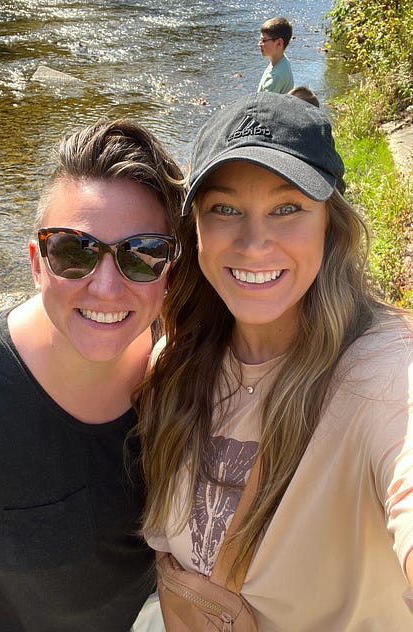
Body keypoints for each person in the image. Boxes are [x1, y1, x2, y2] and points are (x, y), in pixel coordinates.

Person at [139, 92, 413, 630]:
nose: (254, 243)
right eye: (225, 209)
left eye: (287, 209)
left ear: (330, 226)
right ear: (194, 228)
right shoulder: (173, 362)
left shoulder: (380, 373)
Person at [0, 117, 184, 632]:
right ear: (36, 262)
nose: (107, 288)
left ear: (169, 272)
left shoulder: (183, 366)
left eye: (142, 255)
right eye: (75, 252)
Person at [257, 17, 294, 94]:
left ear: (279, 43)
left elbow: (264, 104)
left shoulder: (275, 77)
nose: (259, 44)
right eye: (260, 40)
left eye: (264, 40)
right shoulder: (282, 60)